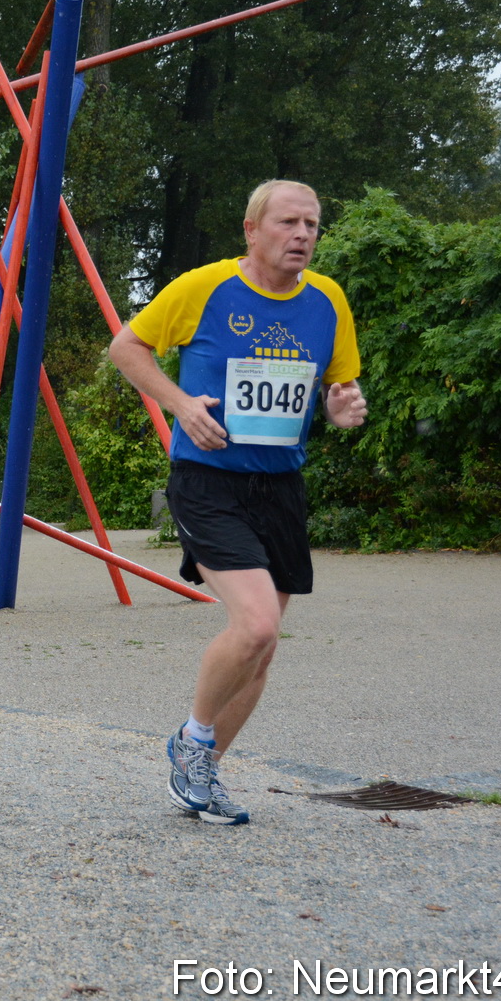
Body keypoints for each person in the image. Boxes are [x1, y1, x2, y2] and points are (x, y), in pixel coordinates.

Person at [107, 180, 367, 827]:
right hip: (207, 479)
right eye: (288, 222)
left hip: (280, 486)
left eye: (312, 222)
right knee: (255, 625)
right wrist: (181, 405)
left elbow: (340, 389)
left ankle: (206, 773)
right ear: (252, 229)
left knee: (264, 646)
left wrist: (343, 407)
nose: (303, 234)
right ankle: (192, 741)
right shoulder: (205, 288)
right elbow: (126, 348)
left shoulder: (329, 300)